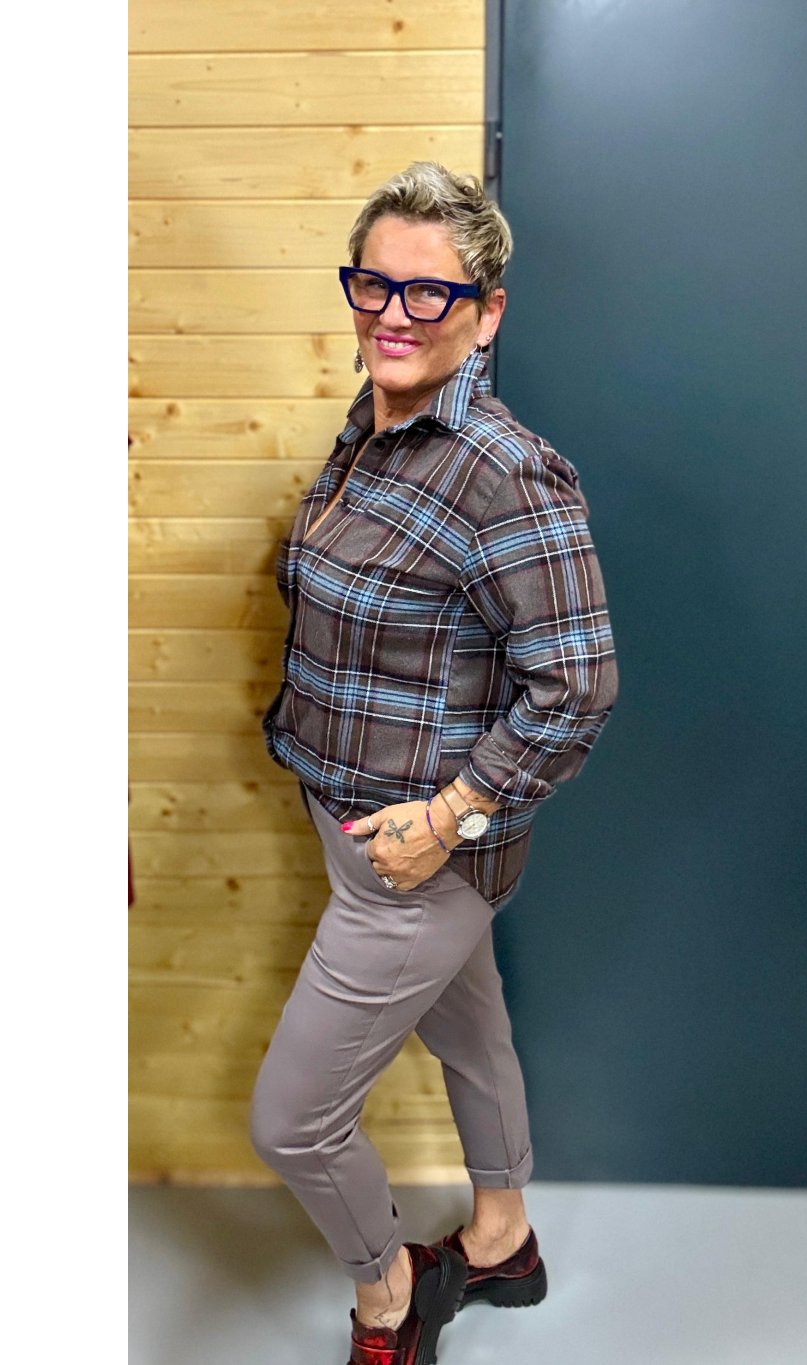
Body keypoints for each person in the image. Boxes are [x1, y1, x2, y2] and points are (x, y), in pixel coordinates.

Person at [251, 162, 618, 1365]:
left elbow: (577, 688)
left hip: (416, 861)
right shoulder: (372, 426)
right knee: (472, 1035)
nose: (393, 315)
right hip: (358, 825)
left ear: (486, 312)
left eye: (429, 293)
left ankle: (390, 1293)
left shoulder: (505, 473)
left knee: (293, 1121)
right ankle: (503, 1240)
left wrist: (448, 817)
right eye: (373, 284)